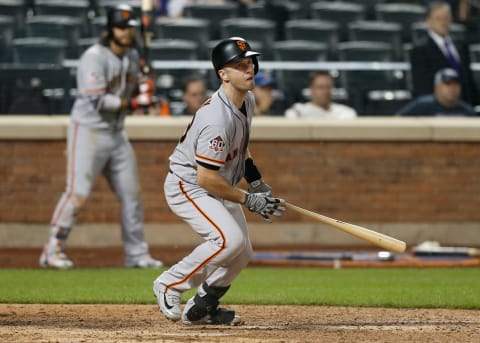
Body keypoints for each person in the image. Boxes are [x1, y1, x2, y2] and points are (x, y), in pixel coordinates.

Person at [152, 37, 285, 325]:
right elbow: (206, 177)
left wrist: (255, 181)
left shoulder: (246, 100)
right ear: (223, 74)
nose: (248, 69)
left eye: (249, 63)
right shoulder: (216, 118)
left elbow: (240, 147)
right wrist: (249, 199)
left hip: (219, 183)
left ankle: (202, 306)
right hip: (189, 185)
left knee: (242, 251)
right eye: (239, 65)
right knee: (228, 240)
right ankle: (170, 284)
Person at [38, 4, 163, 269]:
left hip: (116, 134)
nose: (126, 33)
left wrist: (145, 89)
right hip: (88, 130)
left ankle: (136, 254)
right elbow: (96, 99)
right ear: (110, 29)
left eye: (129, 28)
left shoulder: (131, 57)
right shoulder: (93, 57)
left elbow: (133, 90)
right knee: (77, 193)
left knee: (132, 196)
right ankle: (52, 250)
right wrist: (133, 104)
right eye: (121, 27)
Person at [410, 1, 478, 105]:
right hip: (437, 109)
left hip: (464, 107)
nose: (443, 22)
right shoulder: (420, 49)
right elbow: (421, 86)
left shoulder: (461, 46)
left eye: (446, 18)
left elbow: (468, 81)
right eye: (438, 18)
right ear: (428, 21)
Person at [396, 68, 476, 116]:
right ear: (437, 88)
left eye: (456, 84)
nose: (452, 88)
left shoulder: (467, 111)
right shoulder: (422, 106)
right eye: (448, 84)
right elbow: (396, 122)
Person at [284, 71, 357, 119]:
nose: (325, 91)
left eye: (328, 87)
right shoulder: (298, 111)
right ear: (311, 89)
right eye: (320, 87)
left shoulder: (345, 112)